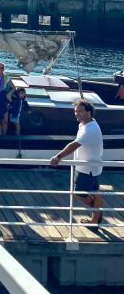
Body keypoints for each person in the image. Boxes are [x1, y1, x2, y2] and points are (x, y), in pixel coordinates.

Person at [50, 99, 104, 231]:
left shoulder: (89, 129)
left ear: (89, 112)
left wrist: (58, 156)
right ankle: (95, 219)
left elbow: (74, 145)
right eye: (75, 111)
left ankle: (97, 214)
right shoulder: (86, 124)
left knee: (79, 194)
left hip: (87, 169)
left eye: (80, 111)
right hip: (90, 166)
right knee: (94, 192)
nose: (77, 113)